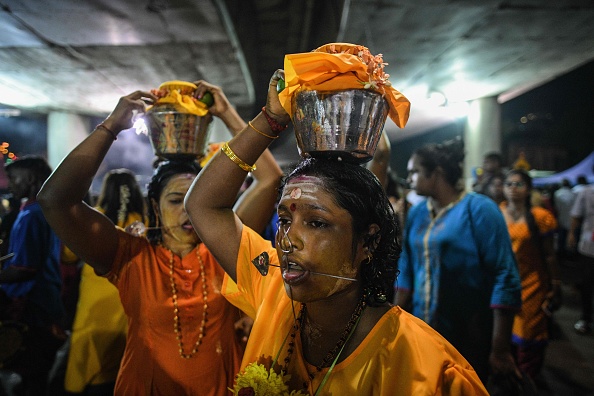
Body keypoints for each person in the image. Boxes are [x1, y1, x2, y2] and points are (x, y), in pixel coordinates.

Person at [185, 64, 488, 394]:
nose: (287, 241)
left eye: (316, 223)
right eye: (284, 220)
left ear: (368, 242)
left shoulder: (426, 368)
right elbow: (204, 205)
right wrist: (270, 121)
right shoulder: (273, 288)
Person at [37, 81, 282, 395]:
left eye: (197, 202)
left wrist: (228, 114)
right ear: (154, 205)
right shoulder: (130, 257)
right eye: (177, 200)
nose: (189, 213)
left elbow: (269, 179)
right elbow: (55, 201)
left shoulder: (224, 249)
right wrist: (111, 126)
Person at [394, 139, 522, 385]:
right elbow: (407, 266)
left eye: (415, 171)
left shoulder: (480, 209)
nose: (408, 177)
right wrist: (394, 317)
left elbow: (504, 275)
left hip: (469, 332)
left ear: (437, 173)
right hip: (424, 330)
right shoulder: (419, 213)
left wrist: (500, 348)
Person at [64, 169, 145, 395]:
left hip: (95, 299)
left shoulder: (93, 218)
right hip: (129, 296)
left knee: (90, 351)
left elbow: (68, 256)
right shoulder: (146, 221)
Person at [0, 155, 66, 396]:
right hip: (45, 301)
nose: (10, 184)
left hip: (31, 307)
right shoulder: (39, 210)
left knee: (30, 376)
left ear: (29, 179)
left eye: (13, 178)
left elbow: (23, 268)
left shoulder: (31, 216)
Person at [500, 169, 561, 380]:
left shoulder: (540, 217)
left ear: (528, 189)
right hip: (505, 283)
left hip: (533, 285)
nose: (513, 189)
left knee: (528, 337)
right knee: (504, 336)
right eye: (509, 184)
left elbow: (550, 255)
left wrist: (555, 283)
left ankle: (527, 381)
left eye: (518, 185)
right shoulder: (498, 213)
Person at [568, 174, 594, 334]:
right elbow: (576, 216)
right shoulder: (586, 192)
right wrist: (572, 233)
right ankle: (586, 318)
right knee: (587, 283)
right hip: (589, 246)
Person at [554, 178, 576, 260]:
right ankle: (570, 255)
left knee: (561, 239)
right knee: (569, 239)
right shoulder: (572, 193)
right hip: (571, 219)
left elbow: (557, 208)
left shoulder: (557, 193)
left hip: (561, 218)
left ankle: (561, 255)